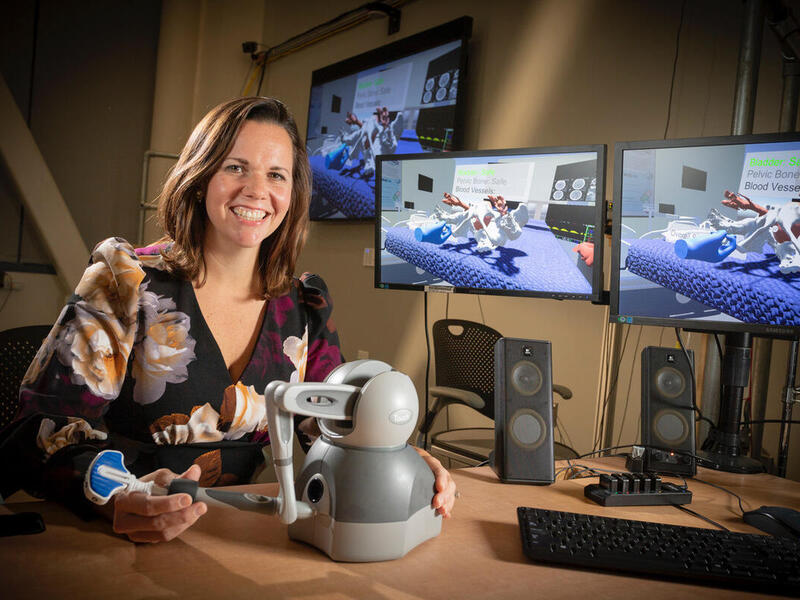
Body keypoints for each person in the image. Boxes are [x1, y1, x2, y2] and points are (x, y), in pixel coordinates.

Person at [0, 96, 456, 543]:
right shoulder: (125, 278)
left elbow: (331, 427)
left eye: (276, 174)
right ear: (201, 178)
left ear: (292, 194)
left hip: (247, 537)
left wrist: (401, 457)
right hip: (114, 531)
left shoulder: (305, 303)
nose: (257, 190)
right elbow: (48, 427)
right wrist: (118, 498)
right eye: (236, 167)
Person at [435, 191, 529, 252]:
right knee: (474, 214)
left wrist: (503, 213)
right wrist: (459, 204)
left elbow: (515, 234)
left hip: (491, 233)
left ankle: (447, 218)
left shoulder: (499, 223)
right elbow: (474, 212)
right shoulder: (484, 217)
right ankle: (447, 218)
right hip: (483, 229)